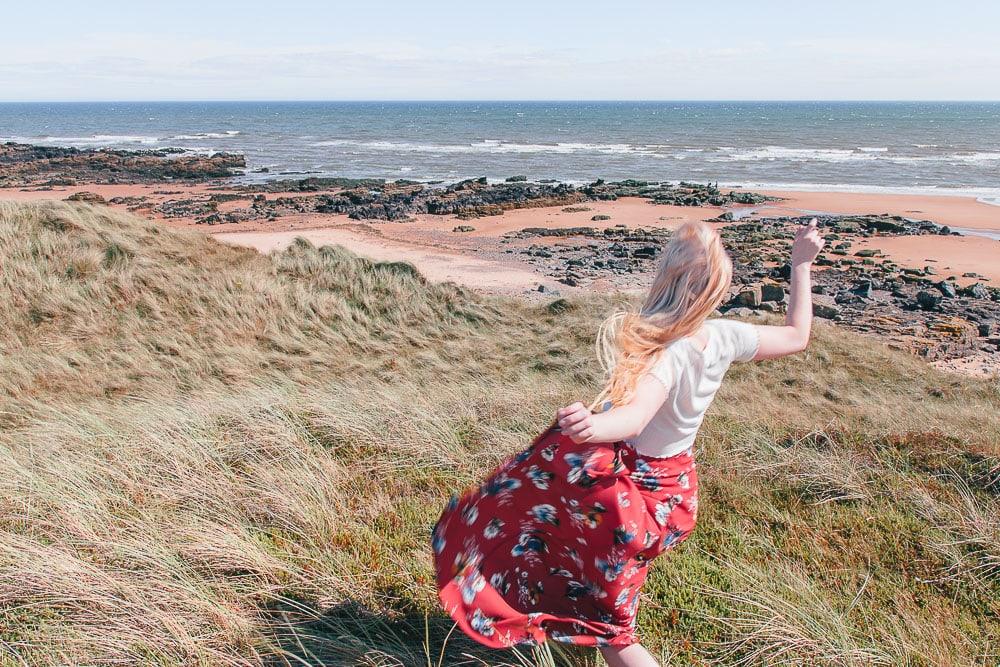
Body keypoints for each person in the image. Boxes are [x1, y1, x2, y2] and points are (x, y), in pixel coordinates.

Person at [432, 218, 825, 666]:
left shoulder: (668, 353)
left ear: (668, 278)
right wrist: (801, 264)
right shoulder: (722, 335)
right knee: (590, 587)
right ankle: (560, 620)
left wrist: (591, 427)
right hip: (675, 488)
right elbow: (798, 335)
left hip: (632, 499)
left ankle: (537, 607)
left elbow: (637, 415)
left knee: (614, 631)